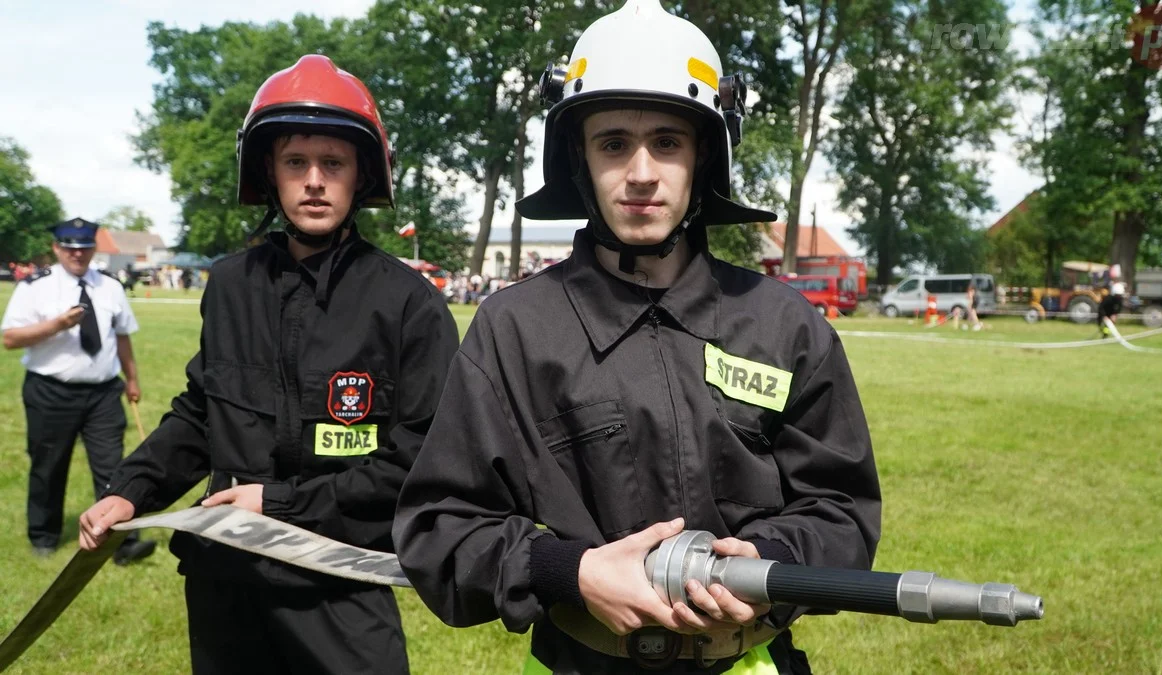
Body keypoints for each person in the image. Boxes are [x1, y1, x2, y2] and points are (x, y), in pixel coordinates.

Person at [393, 3, 882, 673]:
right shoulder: (514, 331)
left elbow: (842, 510)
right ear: (579, 157)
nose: (643, 171)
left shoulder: (785, 326)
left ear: (704, 155)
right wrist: (572, 569)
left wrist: (774, 555)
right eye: (614, 142)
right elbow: (439, 528)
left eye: (668, 142)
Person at [77, 55, 459, 674]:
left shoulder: (407, 303)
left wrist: (279, 504)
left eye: (333, 163)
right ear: (269, 174)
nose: (314, 181)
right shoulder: (229, 285)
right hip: (226, 579)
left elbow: (423, 461)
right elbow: (201, 414)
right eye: (295, 163)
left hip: (338, 581)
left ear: (361, 177)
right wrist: (130, 490)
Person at [1, 218, 156, 565]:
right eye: (70, 247)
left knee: (113, 468)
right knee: (48, 466)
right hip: (50, 393)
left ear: (93, 249)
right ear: (57, 249)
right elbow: (10, 339)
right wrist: (57, 325)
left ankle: (122, 542)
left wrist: (132, 379)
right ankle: (44, 535)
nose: (78, 254)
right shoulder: (34, 287)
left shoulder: (111, 287)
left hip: (103, 394)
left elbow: (122, 336)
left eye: (84, 247)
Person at [1099, 263, 1125, 335]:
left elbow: (1119, 306)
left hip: (1111, 310)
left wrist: (1115, 314)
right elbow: (1102, 307)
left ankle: (1105, 333)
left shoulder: (1119, 298)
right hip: (1106, 309)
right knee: (1105, 324)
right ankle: (1104, 333)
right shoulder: (1108, 298)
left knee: (1109, 325)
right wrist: (1105, 316)